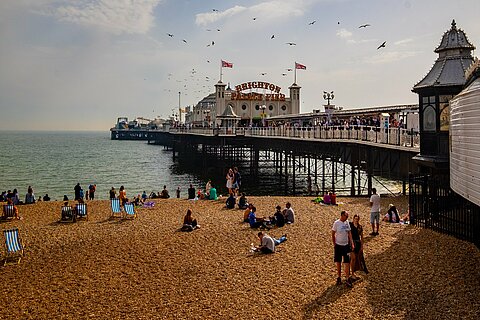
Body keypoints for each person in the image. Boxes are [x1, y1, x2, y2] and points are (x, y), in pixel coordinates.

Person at [332, 210, 354, 287]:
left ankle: (347, 278)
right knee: (338, 261)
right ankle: (339, 277)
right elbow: (333, 233)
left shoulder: (347, 222)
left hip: (346, 245)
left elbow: (349, 233)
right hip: (338, 245)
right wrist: (334, 243)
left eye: (347, 216)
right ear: (342, 215)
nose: (347, 217)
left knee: (347, 262)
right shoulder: (336, 223)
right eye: (346, 216)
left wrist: (352, 242)